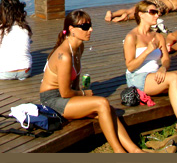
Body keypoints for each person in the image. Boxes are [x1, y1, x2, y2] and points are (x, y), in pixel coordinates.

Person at [39, 11, 151, 153]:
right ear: (72, 30)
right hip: (52, 100)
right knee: (101, 103)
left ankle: (135, 150)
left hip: (64, 97)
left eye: (90, 25)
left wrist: (81, 97)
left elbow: (74, 81)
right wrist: (84, 94)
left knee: (107, 109)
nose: (90, 29)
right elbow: (65, 92)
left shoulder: (79, 47)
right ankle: (119, 152)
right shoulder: (64, 56)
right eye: (85, 26)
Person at [124, 0, 177, 141]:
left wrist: (163, 67)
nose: (157, 15)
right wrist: (147, 51)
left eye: (157, 12)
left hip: (155, 75)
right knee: (174, 78)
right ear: (141, 15)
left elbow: (166, 59)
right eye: (152, 12)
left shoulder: (158, 36)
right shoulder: (131, 37)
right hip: (138, 77)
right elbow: (130, 66)